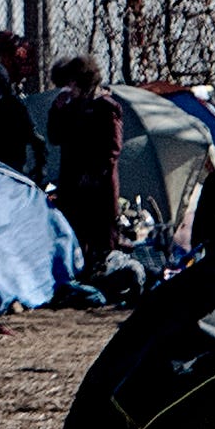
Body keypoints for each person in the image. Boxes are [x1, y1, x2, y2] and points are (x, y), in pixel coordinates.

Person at [43, 57, 125, 286]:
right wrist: (57, 111)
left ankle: (106, 277)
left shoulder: (106, 107)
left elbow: (112, 148)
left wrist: (95, 174)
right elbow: (55, 136)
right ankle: (78, 275)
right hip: (72, 180)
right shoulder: (70, 108)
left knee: (101, 233)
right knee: (74, 230)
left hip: (98, 183)